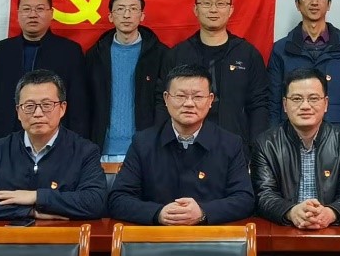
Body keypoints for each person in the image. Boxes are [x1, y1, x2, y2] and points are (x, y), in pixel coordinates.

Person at [108, 64, 256, 225]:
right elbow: (118, 199)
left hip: (210, 236)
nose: (189, 103)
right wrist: (157, 213)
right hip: (157, 236)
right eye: (180, 96)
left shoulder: (230, 144)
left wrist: (203, 212)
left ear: (210, 100)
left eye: (197, 97)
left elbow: (244, 199)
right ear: (166, 98)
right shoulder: (143, 143)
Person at [0, 69, 107, 220]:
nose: (38, 113)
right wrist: (30, 212)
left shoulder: (85, 151)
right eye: (29, 106)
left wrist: (37, 197)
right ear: (18, 111)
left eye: (47, 105)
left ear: (62, 108)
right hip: (10, 234)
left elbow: (94, 202)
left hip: (61, 234)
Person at [0, 0, 86, 153]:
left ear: (51, 13)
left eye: (40, 9)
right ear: (18, 14)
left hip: (56, 148)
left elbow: (79, 108)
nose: (33, 14)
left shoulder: (69, 52)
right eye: (26, 9)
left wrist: (71, 149)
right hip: (3, 147)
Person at [160, 0, 270, 147]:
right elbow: (163, 102)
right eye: (206, 3)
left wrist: (257, 149)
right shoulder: (177, 54)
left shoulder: (247, 54)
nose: (213, 9)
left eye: (220, 4)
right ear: (196, 9)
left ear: (230, 10)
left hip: (235, 146)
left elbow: (259, 104)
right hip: (185, 146)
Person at [253, 68, 340, 229]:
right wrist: (291, 212)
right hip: (283, 230)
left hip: (331, 231)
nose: (305, 106)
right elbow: (264, 194)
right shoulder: (266, 144)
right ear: (285, 104)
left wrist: (331, 213)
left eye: (313, 98)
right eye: (297, 99)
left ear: (326, 103)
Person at [267, 0, 340, 138]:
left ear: (329, 3)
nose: (314, 2)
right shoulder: (281, 50)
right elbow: (273, 103)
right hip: (291, 137)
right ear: (298, 3)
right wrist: (273, 144)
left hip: (336, 138)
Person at [85, 0, 169, 162]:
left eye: (133, 9)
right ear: (110, 16)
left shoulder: (160, 54)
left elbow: (165, 102)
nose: (126, 15)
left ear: (142, 16)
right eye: (120, 9)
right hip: (101, 150)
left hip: (147, 151)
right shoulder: (95, 55)